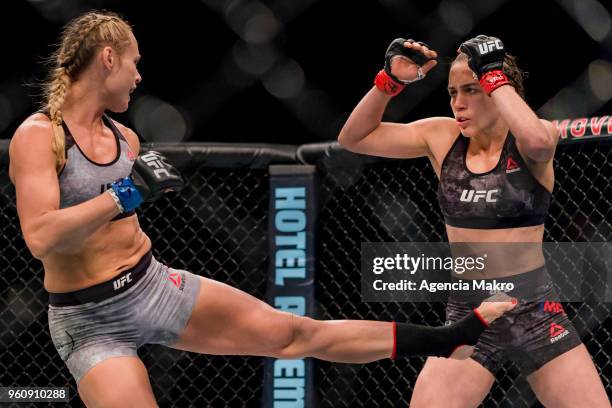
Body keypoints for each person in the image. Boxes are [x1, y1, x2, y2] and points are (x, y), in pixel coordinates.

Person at [8, 12, 515, 407]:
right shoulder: (40, 136)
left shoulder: (126, 138)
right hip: (89, 320)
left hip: (151, 285)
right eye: (135, 62)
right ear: (108, 59)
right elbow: (40, 237)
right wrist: (121, 195)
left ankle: (449, 338)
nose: (140, 76)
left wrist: (127, 196)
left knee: (295, 333)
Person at [338, 36, 610, 407]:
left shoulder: (532, 136)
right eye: (452, 92)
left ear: (497, 89)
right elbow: (354, 138)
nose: (458, 104)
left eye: (470, 89)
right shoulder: (442, 136)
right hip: (469, 313)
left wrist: (495, 75)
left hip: (535, 310)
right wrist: (389, 80)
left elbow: (539, 143)